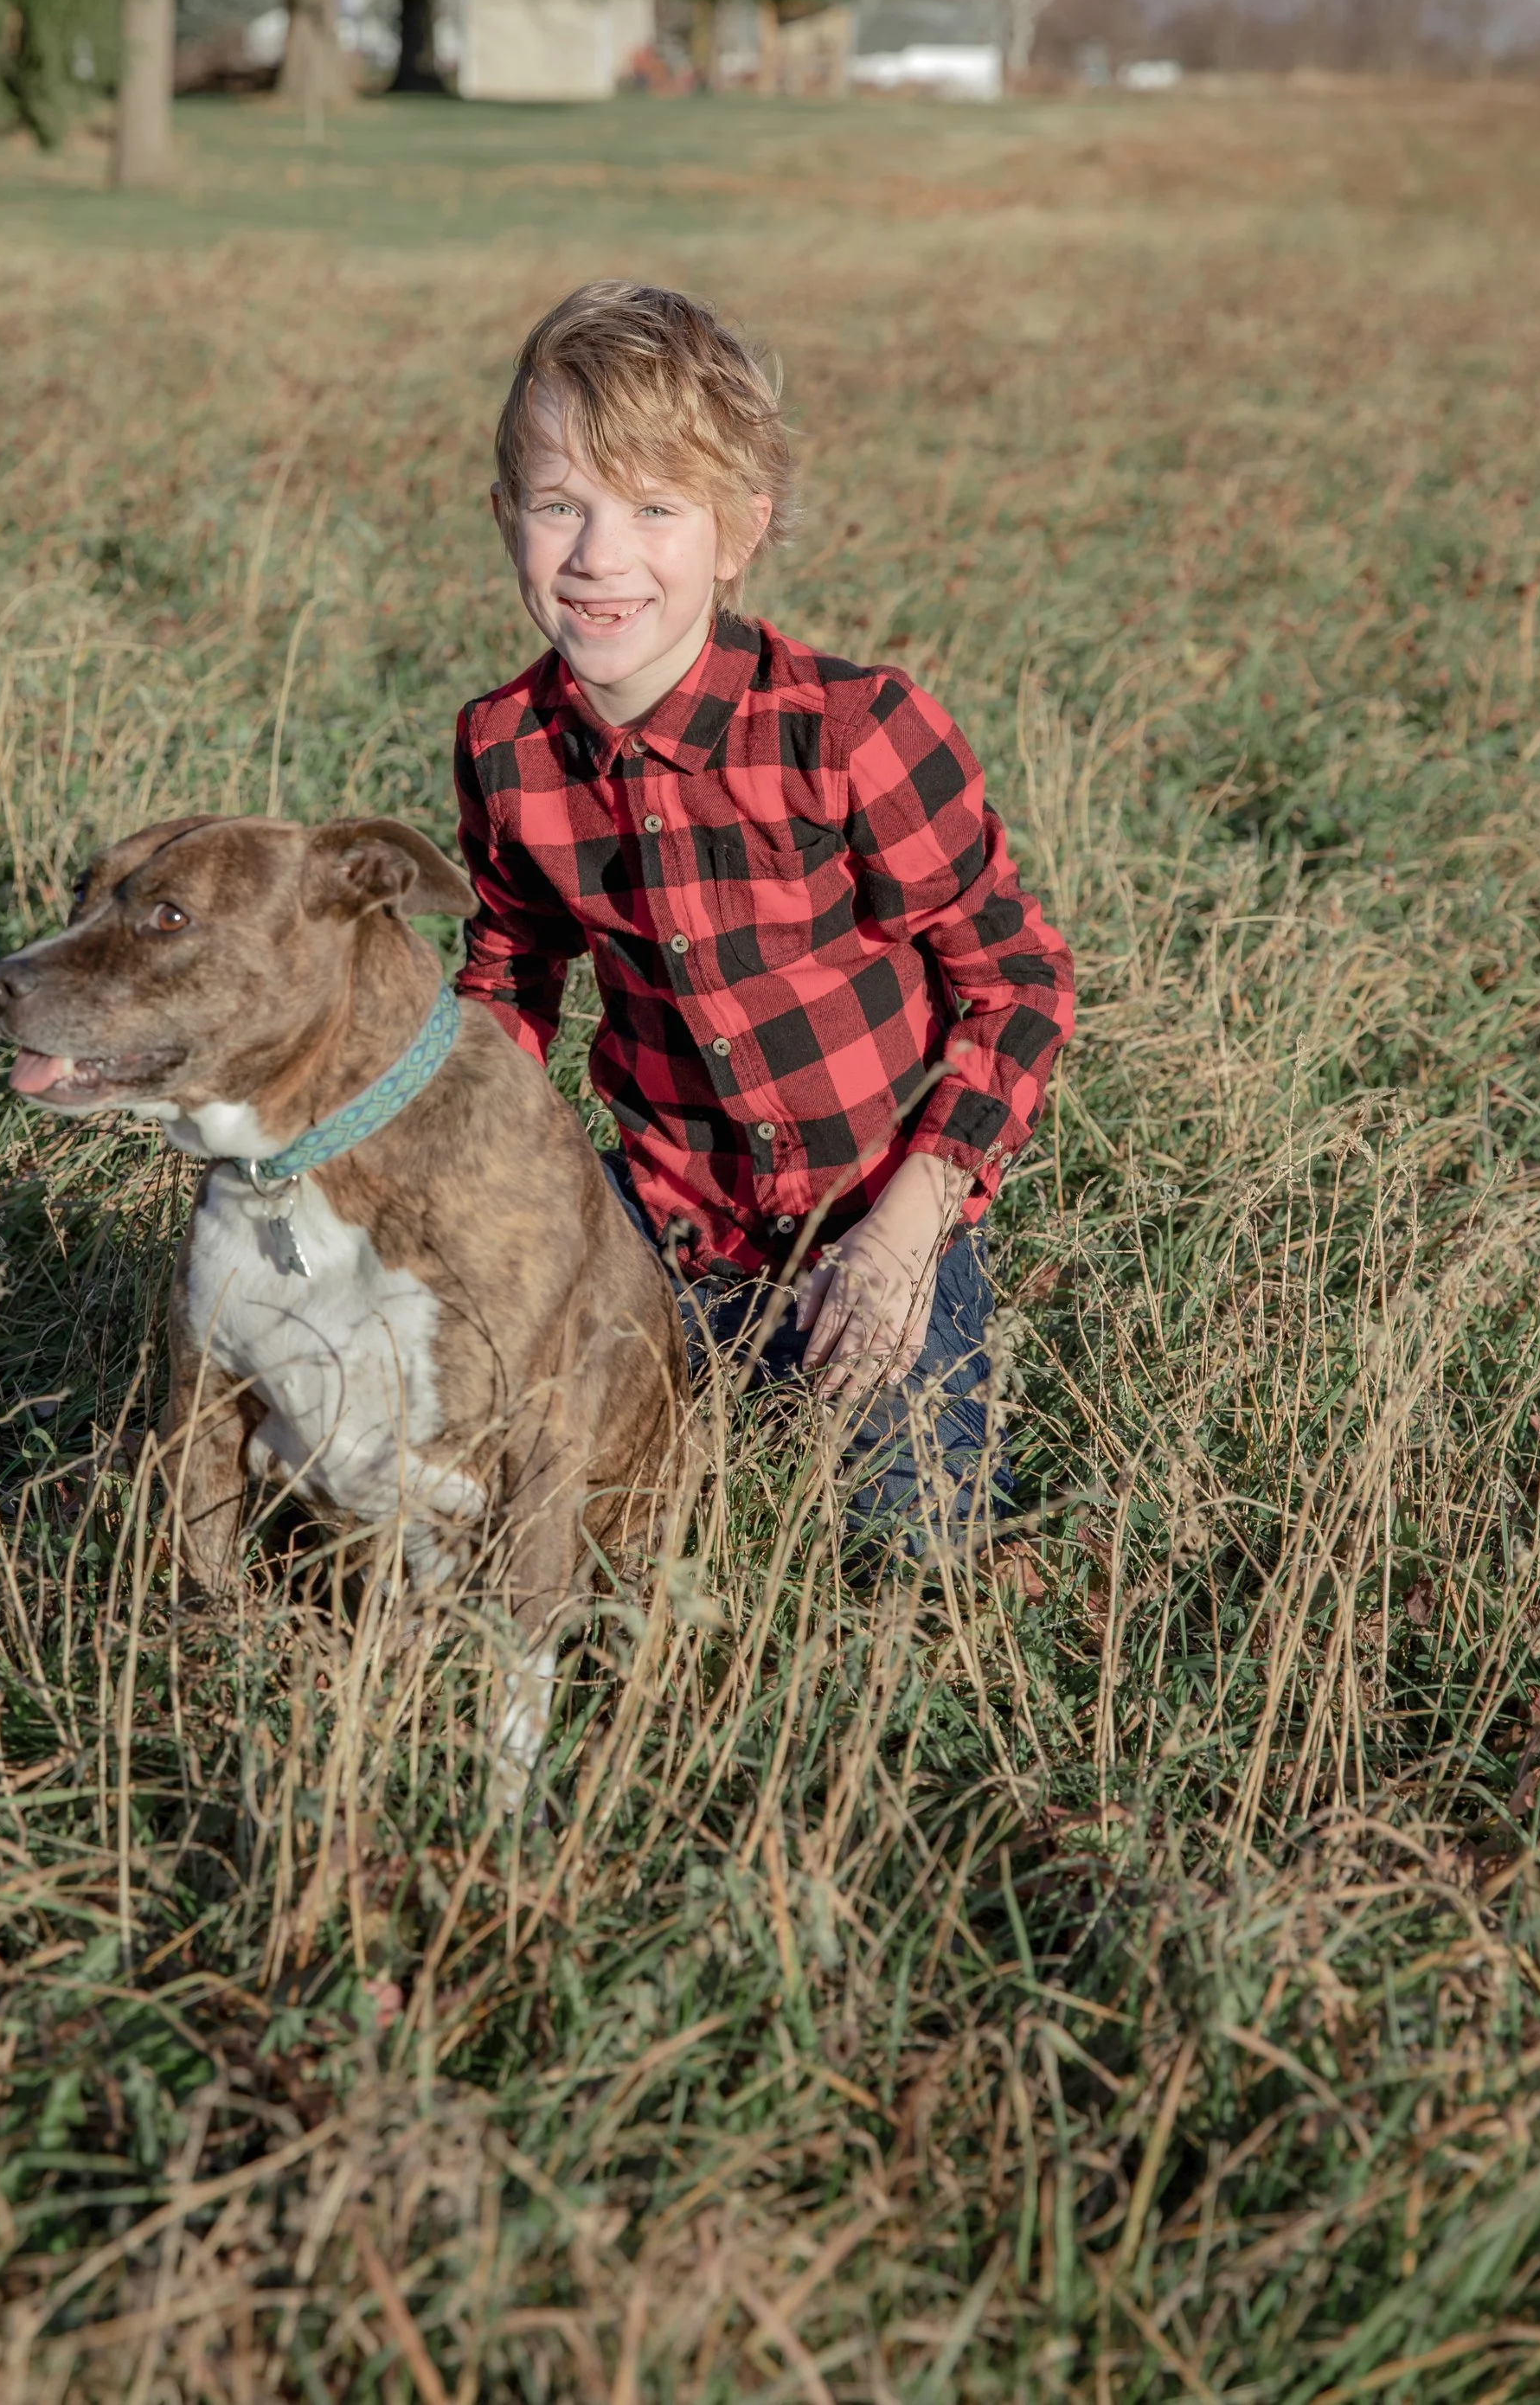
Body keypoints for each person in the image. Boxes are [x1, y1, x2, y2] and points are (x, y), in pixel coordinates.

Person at [450, 280, 1075, 1556]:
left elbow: (1018, 983)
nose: (598, 557)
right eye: (560, 505)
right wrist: (474, 1189)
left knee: (909, 1549)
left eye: (655, 509)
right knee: (539, 1492)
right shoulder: (507, 748)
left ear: (740, 532)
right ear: (506, 516)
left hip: (877, 1218)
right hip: (660, 1222)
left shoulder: (855, 735)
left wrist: (911, 1226)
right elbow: (509, 979)